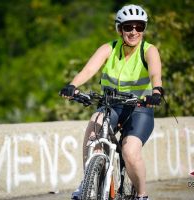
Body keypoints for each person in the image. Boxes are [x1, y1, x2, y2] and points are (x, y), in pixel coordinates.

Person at [60, 4, 163, 200]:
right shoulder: (109, 48)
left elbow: (155, 73)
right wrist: (72, 86)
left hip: (139, 109)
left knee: (130, 152)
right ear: (119, 29)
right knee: (93, 129)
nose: (134, 32)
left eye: (139, 27)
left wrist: (156, 91)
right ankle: (87, 183)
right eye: (128, 27)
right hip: (111, 105)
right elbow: (89, 71)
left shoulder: (149, 51)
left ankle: (142, 195)